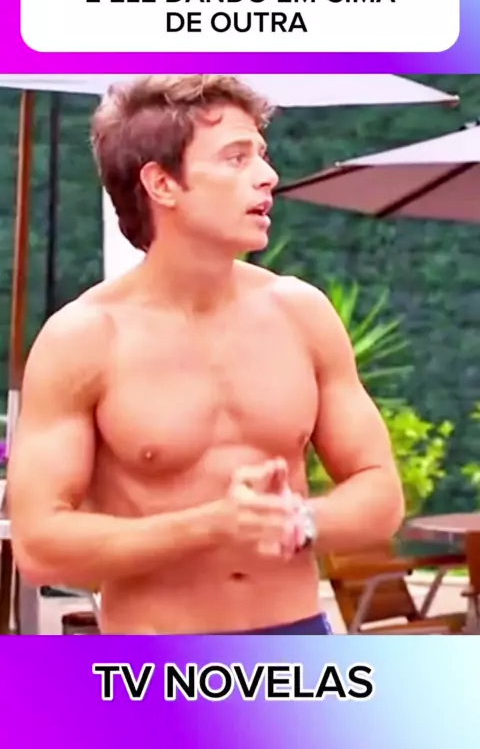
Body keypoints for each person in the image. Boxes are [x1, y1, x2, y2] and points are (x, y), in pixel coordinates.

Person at [7, 75, 404, 635]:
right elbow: (40, 546)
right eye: (236, 158)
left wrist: (299, 518)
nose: (267, 176)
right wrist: (213, 526)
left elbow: (380, 492)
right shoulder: (85, 337)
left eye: (261, 154)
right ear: (162, 184)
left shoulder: (300, 312)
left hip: (298, 643)